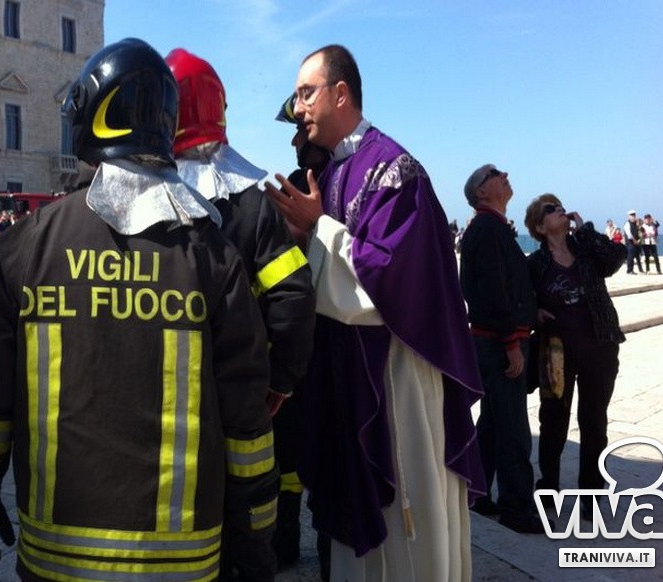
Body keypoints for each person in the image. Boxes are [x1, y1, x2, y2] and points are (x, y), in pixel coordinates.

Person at [0, 38, 278, 581]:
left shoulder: (26, 247)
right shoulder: (213, 257)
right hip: (184, 564)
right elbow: (246, 421)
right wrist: (254, 534)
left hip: (56, 559)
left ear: (89, 118)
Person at [266, 45, 484, 581]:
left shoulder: (395, 170)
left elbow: (390, 279)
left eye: (306, 93)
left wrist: (317, 227)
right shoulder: (334, 172)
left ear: (341, 93)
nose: (298, 108)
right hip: (349, 375)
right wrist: (301, 235)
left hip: (396, 376)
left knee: (406, 524)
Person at [165, 48, 315, 581]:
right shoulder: (253, 204)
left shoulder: (146, 200)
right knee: (250, 501)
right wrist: (281, 380)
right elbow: (294, 296)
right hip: (244, 390)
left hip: (166, 390)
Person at [524, 194, 626, 519]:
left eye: (560, 206)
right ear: (540, 227)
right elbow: (521, 299)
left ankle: (591, 495)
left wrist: (587, 231)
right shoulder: (535, 264)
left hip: (600, 347)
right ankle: (548, 489)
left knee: (594, 421)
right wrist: (534, 312)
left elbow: (617, 258)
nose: (560, 210)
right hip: (556, 354)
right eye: (550, 209)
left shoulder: (586, 251)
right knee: (553, 421)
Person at [459, 164, 542, 534]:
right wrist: (511, 343)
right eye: (494, 173)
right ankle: (517, 508)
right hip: (499, 343)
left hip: (496, 339)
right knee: (513, 429)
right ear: (481, 192)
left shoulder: (491, 228)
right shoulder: (488, 228)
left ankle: (477, 493)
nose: (504, 174)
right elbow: (492, 291)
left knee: (493, 422)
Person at [273, 91, 332, 578]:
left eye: (301, 131)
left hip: (336, 343)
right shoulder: (294, 184)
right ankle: (285, 540)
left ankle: (334, 552)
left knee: (331, 458)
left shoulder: (348, 185)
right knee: (288, 454)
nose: (295, 142)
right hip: (297, 340)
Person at [622, 210, 643, 274]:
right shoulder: (627, 224)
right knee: (630, 257)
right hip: (630, 243)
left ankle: (639, 270)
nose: (633, 217)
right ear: (628, 216)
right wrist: (634, 240)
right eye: (631, 215)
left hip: (636, 243)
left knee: (637, 256)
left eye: (634, 215)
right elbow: (629, 234)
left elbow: (640, 231)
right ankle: (629, 270)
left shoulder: (636, 223)